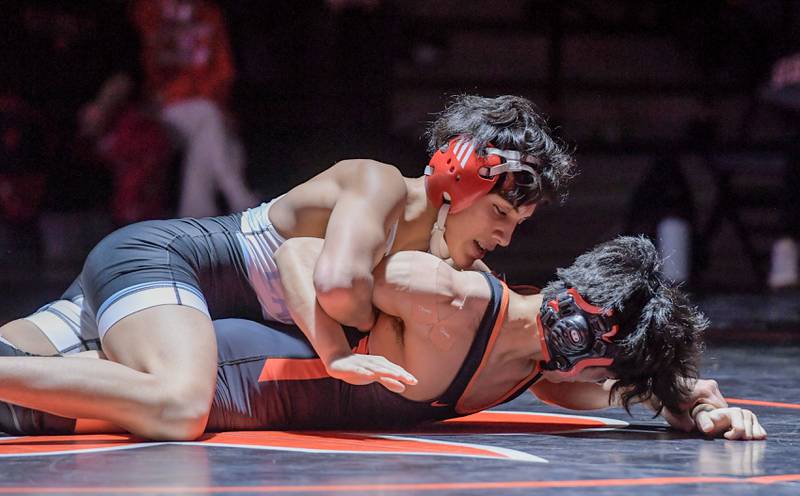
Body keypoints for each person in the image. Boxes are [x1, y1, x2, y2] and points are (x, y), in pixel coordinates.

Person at [0, 94, 576, 440]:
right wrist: (338, 352)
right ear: (460, 177)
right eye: (500, 212)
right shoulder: (379, 186)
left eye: (515, 225)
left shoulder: (427, 254)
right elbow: (324, 277)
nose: (502, 237)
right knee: (179, 406)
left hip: (172, 292)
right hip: (166, 260)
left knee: (21, 369)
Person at [0, 236, 764, 441]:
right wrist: (334, 349)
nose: (582, 335)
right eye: (592, 315)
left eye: (606, 341)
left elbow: (613, 391)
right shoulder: (455, 295)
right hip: (234, 372)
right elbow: (301, 253)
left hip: (241, 377)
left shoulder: (535, 367)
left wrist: (694, 401)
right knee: (161, 409)